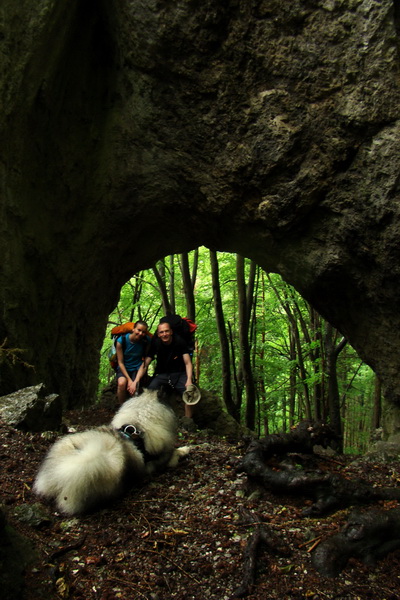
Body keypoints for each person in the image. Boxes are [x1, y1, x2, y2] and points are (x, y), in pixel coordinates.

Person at [135, 321, 195, 418]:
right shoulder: (156, 343)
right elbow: (146, 363)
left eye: (166, 331)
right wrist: (136, 381)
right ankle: (146, 417)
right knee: (149, 391)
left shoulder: (179, 342)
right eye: (161, 332)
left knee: (189, 394)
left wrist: (189, 380)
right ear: (158, 334)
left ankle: (187, 421)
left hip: (180, 373)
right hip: (164, 374)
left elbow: (188, 363)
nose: (164, 334)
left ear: (171, 332)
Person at [115, 320, 150, 403]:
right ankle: (121, 408)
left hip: (137, 368)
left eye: (143, 332)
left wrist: (135, 381)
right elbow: (120, 362)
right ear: (133, 329)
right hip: (124, 367)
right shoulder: (121, 341)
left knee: (135, 388)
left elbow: (145, 362)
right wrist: (129, 380)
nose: (141, 333)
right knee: (121, 384)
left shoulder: (146, 341)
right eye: (139, 330)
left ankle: (132, 410)